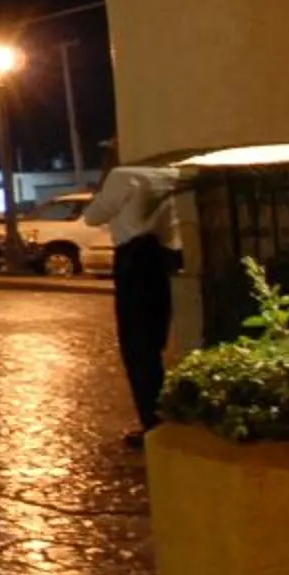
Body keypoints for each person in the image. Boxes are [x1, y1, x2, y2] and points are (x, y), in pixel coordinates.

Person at [83, 164, 185, 447]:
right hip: (165, 257)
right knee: (155, 339)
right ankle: (166, 413)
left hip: (135, 259)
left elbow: (92, 217)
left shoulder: (122, 177)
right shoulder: (170, 175)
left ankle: (152, 422)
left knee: (137, 347)